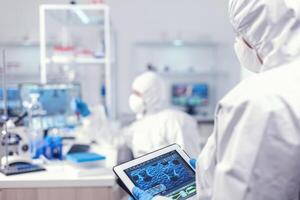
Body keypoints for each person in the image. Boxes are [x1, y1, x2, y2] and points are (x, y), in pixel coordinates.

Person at [130, 0, 300, 199]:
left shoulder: (254, 102)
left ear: (258, 32)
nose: (237, 43)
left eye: (239, 34)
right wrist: (206, 167)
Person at [126, 71, 202, 158]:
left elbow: (187, 159)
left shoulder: (173, 120)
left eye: (137, 94)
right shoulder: (140, 124)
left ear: (150, 95)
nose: (133, 97)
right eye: (133, 93)